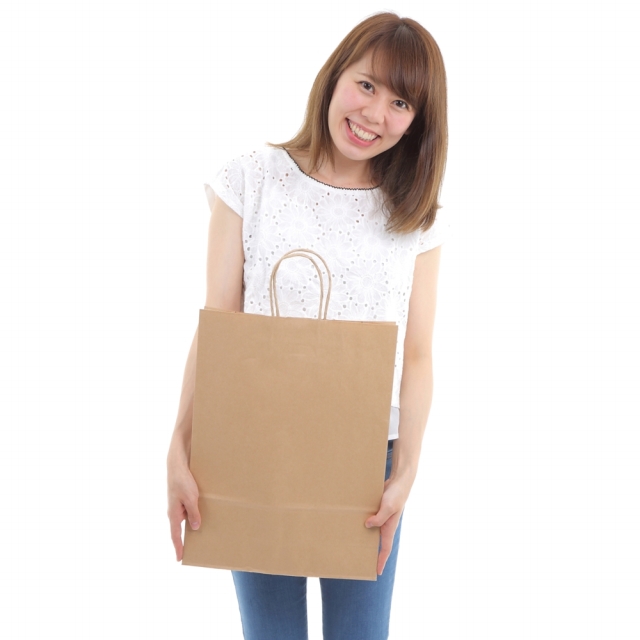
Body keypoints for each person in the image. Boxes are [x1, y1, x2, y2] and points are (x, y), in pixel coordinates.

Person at [167, 11, 449, 640]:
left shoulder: (416, 217)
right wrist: (180, 445)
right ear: (335, 76)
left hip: (367, 461)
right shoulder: (251, 178)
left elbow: (419, 353)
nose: (374, 114)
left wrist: (406, 470)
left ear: (417, 121)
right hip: (251, 444)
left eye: (400, 102)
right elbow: (219, 323)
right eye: (367, 85)